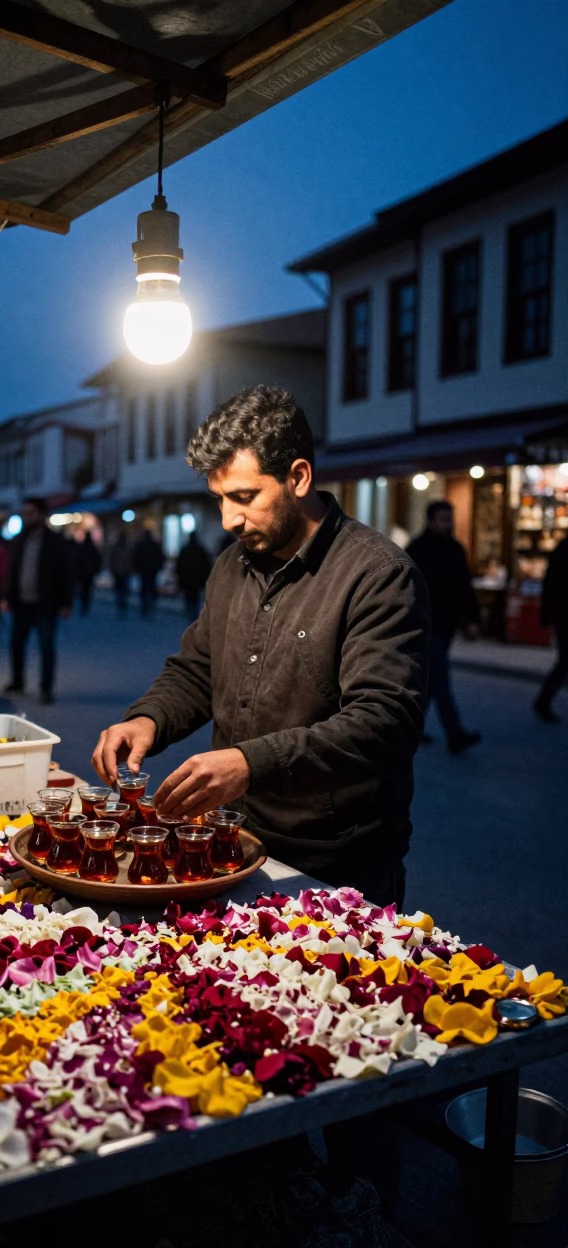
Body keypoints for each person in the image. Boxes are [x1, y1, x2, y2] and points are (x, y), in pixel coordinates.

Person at [92, 385, 430, 910]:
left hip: (338, 861)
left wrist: (248, 764)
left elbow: (384, 722)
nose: (229, 519)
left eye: (244, 497)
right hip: (236, 839)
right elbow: (199, 668)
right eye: (219, 499)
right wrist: (148, 720)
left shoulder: (378, 574)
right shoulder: (232, 564)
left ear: (298, 477)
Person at [407, 501, 481, 754]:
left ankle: (409, 731)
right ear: (430, 520)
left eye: (449, 519)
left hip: (447, 624)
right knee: (440, 679)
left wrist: (472, 620)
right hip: (425, 625)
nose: (447, 524)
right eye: (442, 519)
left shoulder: (455, 549)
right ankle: (454, 733)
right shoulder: (418, 549)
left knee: (429, 682)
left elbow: (464, 587)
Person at [1, 497, 73, 703]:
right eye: (26, 513)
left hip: (46, 603)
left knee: (46, 647)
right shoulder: (19, 540)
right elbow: (11, 571)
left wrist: (66, 602)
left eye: (32, 513)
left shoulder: (55, 542)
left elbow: (65, 573)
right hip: (22, 602)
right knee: (16, 644)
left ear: (42, 515)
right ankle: (17, 681)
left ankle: (46, 688)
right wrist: (6, 596)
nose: (28, 517)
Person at [533, 536, 568, 722]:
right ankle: (543, 700)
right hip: (564, 615)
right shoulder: (564, 550)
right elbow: (552, 584)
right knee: (564, 661)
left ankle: (543, 700)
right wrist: (547, 616)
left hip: (561, 613)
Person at [175, 531, 212, 620]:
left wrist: (179, 578)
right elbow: (207, 565)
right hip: (197, 580)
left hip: (187, 580)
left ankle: (190, 615)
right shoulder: (200, 550)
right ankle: (194, 616)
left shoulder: (185, 549)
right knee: (196, 598)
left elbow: (179, 566)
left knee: (189, 598)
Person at [133, 529, 164, 617]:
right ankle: (151, 607)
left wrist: (137, 568)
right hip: (152, 571)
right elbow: (160, 557)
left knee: (144, 589)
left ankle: (145, 607)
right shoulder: (154, 545)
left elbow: (136, 558)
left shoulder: (141, 545)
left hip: (144, 571)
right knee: (151, 589)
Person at [72, 531, 102, 615]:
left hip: (83, 572)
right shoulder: (92, 548)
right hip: (88, 572)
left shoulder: (82, 547)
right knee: (87, 590)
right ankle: (85, 605)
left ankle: (84, 605)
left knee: (83, 590)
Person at [108, 533, 134, 614]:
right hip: (123, 572)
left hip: (120, 572)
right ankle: (122, 604)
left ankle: (121, 604)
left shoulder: (117, 548)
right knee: (123, 589)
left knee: (120, 589)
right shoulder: (127, 549)